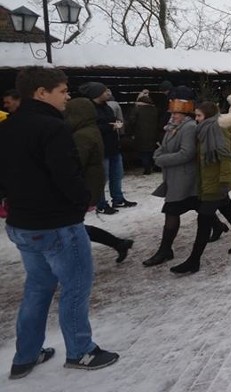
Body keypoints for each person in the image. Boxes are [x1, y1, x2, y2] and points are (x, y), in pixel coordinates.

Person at [0, 67, 119, 378]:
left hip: (22, 224)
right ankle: (81, 351)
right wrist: (82, 200)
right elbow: (67, 174)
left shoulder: (8, 126)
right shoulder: (53, 127)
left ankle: (25, 356)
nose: (67, 96)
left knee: (37, 288)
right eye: (63, 91)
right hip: (56, 224)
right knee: (75, 286)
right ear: (41, 92)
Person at [170, 102, 231, 274]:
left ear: (207, 116)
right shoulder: (205, 130)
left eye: (199, 115)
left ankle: (194, 260)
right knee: (228, 210)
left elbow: (226, 157)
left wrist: (224, 181)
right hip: (208, 179)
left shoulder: (216, 129)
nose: (197, 119)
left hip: (215, 183)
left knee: (204, 220)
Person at [144, 99, 225, 267]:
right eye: (172, 113)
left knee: (172, 211)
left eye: (176, 113)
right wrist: (158, 156)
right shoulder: (172, 127)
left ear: (185, 115)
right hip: (175, 177)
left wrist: (161, 160)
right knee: (197, 205)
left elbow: (187, 153)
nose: (173, 116)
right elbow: (163, 146)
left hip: (185, 178)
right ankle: (217, 225)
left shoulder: (188, 128)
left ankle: (165, 249)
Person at [65, 98, 134, 263]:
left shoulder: (83, 134)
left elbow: (75, 165)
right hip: (84, 187)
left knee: (70, 228)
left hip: (80, 188)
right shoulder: (85, 129)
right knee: (72, 228)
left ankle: (78, 262)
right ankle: (118, 243)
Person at [79, 82, 137, 212]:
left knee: (117, 175)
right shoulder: (89, 109)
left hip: (113, 147)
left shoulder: (107, 107)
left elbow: (114, 118)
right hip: (100, 149)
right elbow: (90, 128)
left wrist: (118, 123)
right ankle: (101, 204)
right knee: (101, 178)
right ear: (97, 93)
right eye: (105, 91)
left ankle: (118, 199)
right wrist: (110, 126)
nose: (108, 93)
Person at [128, 90, 159, 175]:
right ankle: (155, 166)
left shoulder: (137, 109)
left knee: (143, 152)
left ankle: (147, 168)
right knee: (151, 151)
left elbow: (131, 121)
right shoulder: (154, 109)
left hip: (140, 134)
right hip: (153, 134)